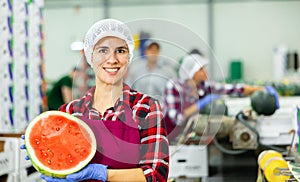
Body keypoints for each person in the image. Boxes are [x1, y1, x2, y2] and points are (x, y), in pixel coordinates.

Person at [23, 19, 169, 182]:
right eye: (102, 51)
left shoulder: (146, 108)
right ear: (90, 56)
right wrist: (41, 146)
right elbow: (61, 167)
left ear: (129, 57)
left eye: (120, 51)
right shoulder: (70, 112)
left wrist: (103, 174)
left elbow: (157, 175)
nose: (112, 59)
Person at [164, 52, 280, 143]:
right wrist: (200, 104)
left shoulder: (204, 86)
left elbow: (234, 89)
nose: (205, 71)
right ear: (191, 72)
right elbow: (177, 119)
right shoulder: (174, 87)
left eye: (205, 68)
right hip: (170, 138)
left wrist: (262, 89)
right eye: (201, 69)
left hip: (190, 136)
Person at [125, 40, 177, 108]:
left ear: (159, 52)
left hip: (159, 109)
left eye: (156, 50)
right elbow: (127, 88)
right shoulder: (136, 69)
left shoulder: (167, 72)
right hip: (139, 109)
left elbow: (174, 90)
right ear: (146, 51)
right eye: (151, 50)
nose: (153, 53)